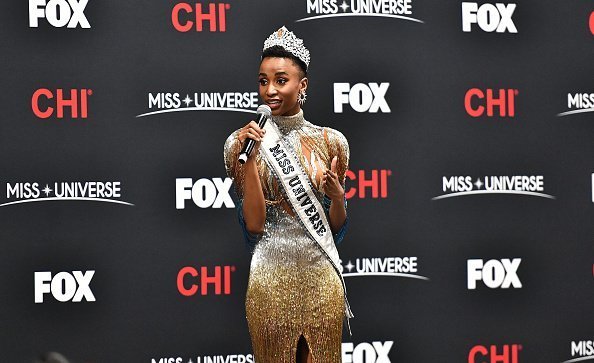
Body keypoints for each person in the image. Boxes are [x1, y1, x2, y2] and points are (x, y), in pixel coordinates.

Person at [223, 26, 352, 363]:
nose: (270, 90)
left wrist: (337, 198)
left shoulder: (331, 142)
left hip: (321, 280)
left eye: (281, 80)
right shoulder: (239, 143)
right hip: (269, 279)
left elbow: (336, 228)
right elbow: (254, 225)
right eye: (263, 81)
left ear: (302, 85)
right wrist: (250, 162)